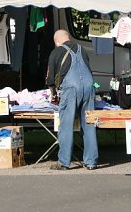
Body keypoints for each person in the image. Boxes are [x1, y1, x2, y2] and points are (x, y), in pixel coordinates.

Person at [46, 29, 98, 170]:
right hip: (89, 87)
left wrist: (54, 95)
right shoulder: (82, 49)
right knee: (89, 124)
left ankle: (63, 162)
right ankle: (91, 161)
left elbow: (50, 79)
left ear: (57, 42)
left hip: (70, 88)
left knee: (66, 126)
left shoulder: (56, 52)